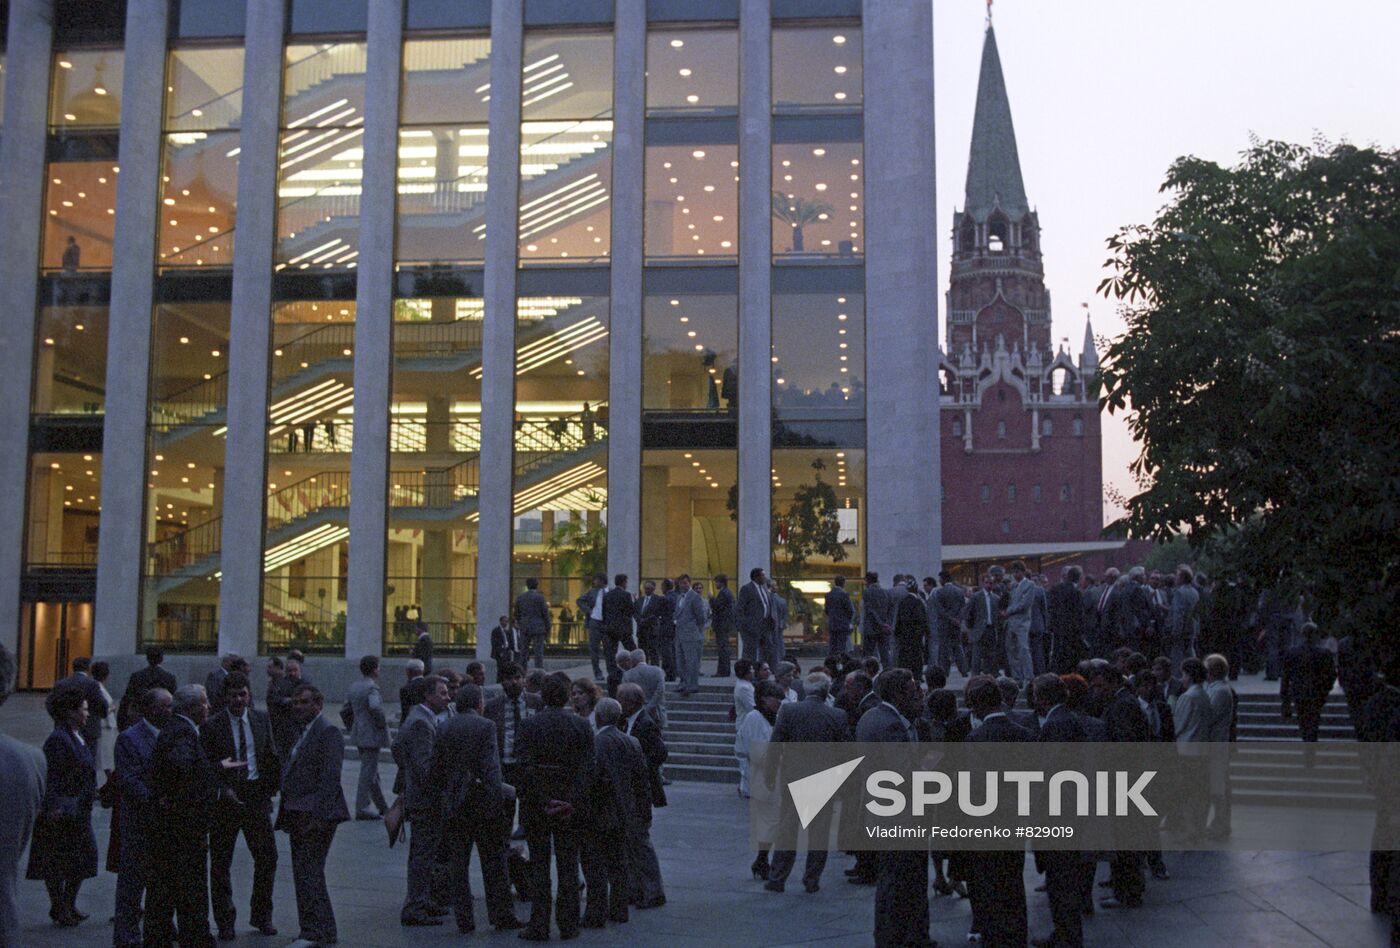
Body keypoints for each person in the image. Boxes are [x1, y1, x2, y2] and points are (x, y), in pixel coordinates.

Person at [146, 684, 235, 947]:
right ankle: (192, 936)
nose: (208, 707)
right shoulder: (182, 732)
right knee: (188, 884)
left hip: (177, 824)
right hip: (183, 826)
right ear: (192, 707)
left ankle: (168, 934)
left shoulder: (179, 729)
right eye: (205, 703)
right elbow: (182, 769)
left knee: (171, 885)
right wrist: (216, 769)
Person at [433, 683, 521, 934]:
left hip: (455, 804)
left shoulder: (444, 726)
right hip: (483, 803)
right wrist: (499, 803)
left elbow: (437, 768)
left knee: (458, 865)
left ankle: (464, 918)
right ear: (479, 703)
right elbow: (491, 769)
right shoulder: (486, 726)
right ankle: (501, 915)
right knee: (494, 861)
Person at [515, 672, 596, 941]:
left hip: (538, 806)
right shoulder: (581, 726)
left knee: (539, 865)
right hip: (570, 805)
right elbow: (587, 769)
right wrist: (569, 800)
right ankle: (568, 923)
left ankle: (539, 924)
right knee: (568, 865)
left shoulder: (528, 726)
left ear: (542, 696)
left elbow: (523, 769)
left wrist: (543, 799)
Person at [201, 671, 280, 940]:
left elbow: (269, 754)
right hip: (226, 800)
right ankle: (225, 920)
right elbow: (206, 766)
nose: (238, 699)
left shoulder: (260, 720)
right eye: (233, 695)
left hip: (256, 796)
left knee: (268, 857)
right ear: (225, 697)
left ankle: (262, 915)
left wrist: (269, 790)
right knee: (221, 862)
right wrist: (223, 789)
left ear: (249, 695)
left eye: (242, 694)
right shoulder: (212, 726)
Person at [856, 668, 929, 947]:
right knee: (899, 881)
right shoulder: (890, 725)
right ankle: (894, 937)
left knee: (897, 879)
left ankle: (905, 934)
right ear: (899, 693)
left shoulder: (872, 716)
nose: (917, 694)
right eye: (912, 690)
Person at [276, 683, 349, 948]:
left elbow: (330, 779)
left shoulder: (327, 731)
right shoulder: (303, 731)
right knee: (305, 873)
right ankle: (318, 929)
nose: (297, 707)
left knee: (309, 872)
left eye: (303, 702)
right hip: (299, 813)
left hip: (315, 817)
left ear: (317, 705)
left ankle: (316, 930)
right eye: (295, 702)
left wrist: (317, 817)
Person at [764, 671, 849, 894]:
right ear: (826, 691)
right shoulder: (837, 716)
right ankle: (812, 879)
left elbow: (775, 744)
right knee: (819, 833)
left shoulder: (789, 710)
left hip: (794, 777)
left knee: (787, 829)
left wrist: (770, 774)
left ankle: (777, 877)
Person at [27, 684, 98, 928]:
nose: (87, 714)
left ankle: (67, 903)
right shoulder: (59, 740)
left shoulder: (76, 736)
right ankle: (60, 905)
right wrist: (54, 806)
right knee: (59, 861)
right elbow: (53, 775)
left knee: (80, 859)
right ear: (71, 712)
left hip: (78, 808)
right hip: (64, 811)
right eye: (84, 709)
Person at [579, 698, 652, 929]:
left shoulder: (595, 743)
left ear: (599, 717)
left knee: (594, 865)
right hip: (624, 813)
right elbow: (642, 782)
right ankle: (619, 909)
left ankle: (596, 912)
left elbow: (590, 779)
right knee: (618, 864)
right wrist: (644, 811)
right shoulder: (632, 742)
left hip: (598, 812)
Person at [1030, 673, 1089, 948]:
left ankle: (1067, 936)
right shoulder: (1068, 720)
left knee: (1061, 880)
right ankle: (1065, 933)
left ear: (1042, 697)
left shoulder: (1057, 724)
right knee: (1063, 879)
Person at [112, 686, 170, 948]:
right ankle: (127, 936)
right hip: (139, 822)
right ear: (150, 709)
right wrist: (156, 800)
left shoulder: (171, 734)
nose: (170, 711)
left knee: (161, 881)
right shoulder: (129, 738)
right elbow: (128, 780)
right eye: (165, 706)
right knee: (132, 884)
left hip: (164, 823)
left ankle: (161, 929)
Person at [396, 675, 449, 927]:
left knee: (424, 853)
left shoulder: (419, 718)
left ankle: (423, 898)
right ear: (428, 696)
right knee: (422, 853)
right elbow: (425, 768)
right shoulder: (420, 723)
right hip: (426, 801)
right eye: (442, 692)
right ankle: (415, 904)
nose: (447, 697)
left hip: (422, 797)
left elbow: (397, 748)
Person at [617, 684, 668, 909]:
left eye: (621, 700)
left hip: (640, 789)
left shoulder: (646, 724)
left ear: (632, 702)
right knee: (630, 841)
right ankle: (636, 888)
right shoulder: (627, 722)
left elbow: (659, 752)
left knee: (640, 841)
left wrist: (640, 767)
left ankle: (652, 891)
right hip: (629, 788)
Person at [347, 654, 390, 820]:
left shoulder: (355, 686)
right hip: (371, 734)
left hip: (359, 732)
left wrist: (355, 725)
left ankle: (382, 806)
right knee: (368, 772)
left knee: (372, 771)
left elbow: (346, 710)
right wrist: (381, 725)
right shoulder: (372, 688)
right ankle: (362, 807)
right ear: (374, 670)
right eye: (378, 667)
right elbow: (375, 707)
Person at [1282, 622, 1338, 749]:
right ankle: (1310, 749)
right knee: (1313, 722)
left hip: (1299, 694)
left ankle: (1308, 747)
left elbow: (1285, 679)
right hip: (1316, 694)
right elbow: (1331, 675)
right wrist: (1325, 691)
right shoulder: (1323, 654)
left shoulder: (1292, 653)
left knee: (1304, 722)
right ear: (1315, 635)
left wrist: (1285, 701)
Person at [1203, 653, 1237, 838]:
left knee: (1219, 788)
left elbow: (1209, 716)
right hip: (1215, 744)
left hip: (1216, 745)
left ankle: (1221, 823)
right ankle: (1219, 822)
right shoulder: (1217, 689)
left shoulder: (1221, 691)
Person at [46, 656, 108, 754]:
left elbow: (49, 703)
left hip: (64, 727)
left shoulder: (61, 684)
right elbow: (102, 705)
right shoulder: (92, 684)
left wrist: (58, 718)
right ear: (88, 669)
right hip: (89, 730)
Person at [117, 647, 179, 730]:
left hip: (140, 718)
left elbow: (126, 700)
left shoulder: (137, 676)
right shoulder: (169, 678)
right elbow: (174, 702)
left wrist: (121, 722)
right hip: (161, 719)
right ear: (161, 659)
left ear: (147, 658)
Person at [1047, 566, 1088, 674]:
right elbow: (1079, 614)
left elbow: (1051, 607)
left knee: (1058, 654)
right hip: (1072, 630)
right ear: (1078, 578)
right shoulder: (1077, 592)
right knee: (1071, 656)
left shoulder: (1056, 589)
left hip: (1059, 627)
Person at [1003, 560, 1037, 684]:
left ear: (1023, 572)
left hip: (1022, 623)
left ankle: (1029, 676)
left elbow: (1024, 604)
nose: (1015, 575)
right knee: (1011, 650)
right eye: (1013, 572)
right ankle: (1017, 677)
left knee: (1023, 649)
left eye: (1017, 572)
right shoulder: (1013, 586)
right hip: (1011, 622)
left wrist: (1008, 611)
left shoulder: (1030, 585)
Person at [602, 573, 639, 685]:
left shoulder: (607, 595)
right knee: (633, 650)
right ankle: (637, 670)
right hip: (623, 628)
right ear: (624, 582)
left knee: (610, 653)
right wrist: (635, 600)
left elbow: (604, 612)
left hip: (610, 628)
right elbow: (631, 611)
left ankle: (612, 674)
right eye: (626, 582)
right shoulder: (626, 595)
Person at [673, 574, 708, 696]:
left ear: (689, 583)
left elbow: (701, 617)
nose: (683, 585)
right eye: (681, 583)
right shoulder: (679, 597)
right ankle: (683, 683)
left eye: (685, 583)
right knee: (680, 661)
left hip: (692, 634)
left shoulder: (695, 597)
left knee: (692, 661)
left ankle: (692, 685)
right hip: (679, 633)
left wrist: (696, 630)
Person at [737, 567, 776, 664]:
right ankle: (749, 672)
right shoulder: (747, 589)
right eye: (762, 575)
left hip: (765, 624)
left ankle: (763, 671)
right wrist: (744, 624)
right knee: (750, 651)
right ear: (756, 577)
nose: (764, 577)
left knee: (767, 649)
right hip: (752, 626)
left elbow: (766, 604)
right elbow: (740, 608)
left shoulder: (764, 588)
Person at [621, 648, 666, 730]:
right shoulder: (658, 671)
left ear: (633, 660)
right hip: (657, 712)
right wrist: (651, 705)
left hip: (636, 713)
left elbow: (627, 694)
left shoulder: (627, 675)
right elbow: (660, 691)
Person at [893, 579, 930, 675]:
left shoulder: (902, 602)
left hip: (904, 636)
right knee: (916, 657)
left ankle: (904, 674)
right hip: (916, 636)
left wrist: (897, 633)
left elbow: (898, 620)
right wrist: (925, 633)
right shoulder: (919, 603)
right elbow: (922, 620)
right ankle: (916, 675)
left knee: (904, 657)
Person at [514, 577, 552, 670]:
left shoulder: (520, 598)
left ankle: (522, 672)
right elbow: (545, 614)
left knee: (523, 652)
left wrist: (521, 623)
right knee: (538, 653)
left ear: (527, 585)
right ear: (537, 585)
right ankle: (539, 672)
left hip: (525, 627)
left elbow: (516, 613)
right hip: (538, 628)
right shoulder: (540, 597)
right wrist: (548, 627)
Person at [966, 572, 999, 676]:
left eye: (991, 583)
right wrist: (971, 628)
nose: (989, 585)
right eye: (987, 583)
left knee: (990, 657)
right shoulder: (976, 597)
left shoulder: (996, 598)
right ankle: (975, 678)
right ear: (982, 583)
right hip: (979, 630)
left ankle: (989, 677)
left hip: (991, 629)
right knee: (976, 657)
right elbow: (968, 612)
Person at [578, 573, 608, 679]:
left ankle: (610, 670)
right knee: (594, 649)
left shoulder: (610, 592)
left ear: (602, 581)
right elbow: (579, 600)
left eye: (596, 580)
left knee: (608, 648)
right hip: (594, 622)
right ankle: (597, 672)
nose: (594, 582)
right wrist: (589, 611)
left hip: (606, 623)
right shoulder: (592, 592)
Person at [266, 655, 299, 753]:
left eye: (270, 667)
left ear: (277, 668)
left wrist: (281, 701)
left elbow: (291, 701)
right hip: (274, 725)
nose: (267, 670)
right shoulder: (272, 683)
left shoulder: (286, 683)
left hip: (285, 727)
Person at [710, 573, 736, 677]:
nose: (716, 584)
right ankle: (724, 670)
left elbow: (717, 607)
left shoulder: (723, 593)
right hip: (725, 624)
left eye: (716, 582)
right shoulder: (728, 592)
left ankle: (723, 671)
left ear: (721, 583)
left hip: (722, 624)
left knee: (722, 648)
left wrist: (712, 599)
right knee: (724, 648)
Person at [823, 576, 856, 657]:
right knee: (842, 647)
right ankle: (841, 664)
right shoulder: (844, 595)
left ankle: (831, 664)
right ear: (843, 583)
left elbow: (826, 610)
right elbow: (850, 610)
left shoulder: (828, 595)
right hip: (842, 625)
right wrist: (848, 621)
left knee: (832, 647)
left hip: (832, 624)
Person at [399, 658, 426, 723]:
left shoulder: (405, 689)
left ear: (408, 671)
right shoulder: (430, 685)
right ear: (423, 670)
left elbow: (405, 712)